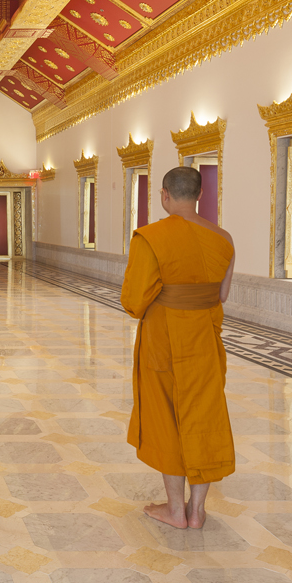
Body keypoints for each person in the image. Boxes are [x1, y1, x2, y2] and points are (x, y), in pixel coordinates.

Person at [120, 165, 236, 529]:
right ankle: (197, 510)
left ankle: (174, 510)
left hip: (164, 341)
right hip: (204, 338)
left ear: (165, 195)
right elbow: (221, 295)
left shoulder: (151, 237)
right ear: (199, 195)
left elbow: (134, 301)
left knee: (167, 416)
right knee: (203, 416)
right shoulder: (223, 238)